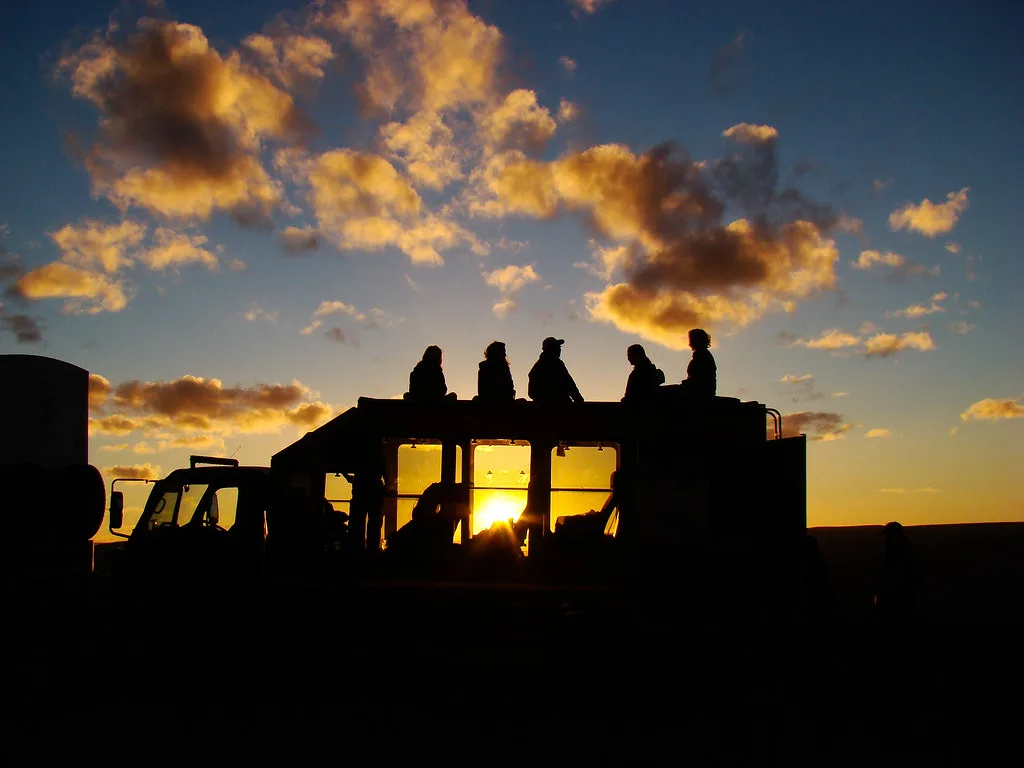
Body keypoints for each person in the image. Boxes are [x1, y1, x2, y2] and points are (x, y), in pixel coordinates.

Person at [528, 337, 584, 404]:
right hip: (559, 407)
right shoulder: (557, 364)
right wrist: (579, 400)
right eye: (557, 347)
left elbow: (532, 393)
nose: (559, 349)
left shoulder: (538, 367)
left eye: (559, 347)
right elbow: (569, 384)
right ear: (550, 349)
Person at [680, 328, 716, 397]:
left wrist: (687, 383)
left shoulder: (703, 355)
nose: (690, 342)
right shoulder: (701, 354)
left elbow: (700, 377)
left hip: (701, 391)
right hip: (701, 389)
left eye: (691, 339)